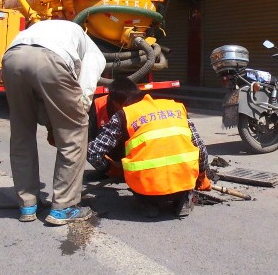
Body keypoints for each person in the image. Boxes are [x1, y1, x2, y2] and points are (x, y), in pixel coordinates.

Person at [1, 20, 106, 224]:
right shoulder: (91, 48)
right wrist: (79, 110)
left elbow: (43, 101)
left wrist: (51, 125)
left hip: (12, 58)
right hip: (51, 59)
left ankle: (27, 204)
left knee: (22, 133)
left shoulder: (45, 28)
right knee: (74, 135)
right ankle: (64, 207)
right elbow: (86, 81)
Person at [87, 76, 211, 218]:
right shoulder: (176, 107)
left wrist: (112, 170)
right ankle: (182, 201)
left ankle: (148, 203)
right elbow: (200, 147)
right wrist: (202, 177)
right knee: (184, 179)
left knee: (144, 186)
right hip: (185, 184)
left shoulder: (123, 115)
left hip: (147, 190)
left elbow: (93, 153)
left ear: (115, 103)